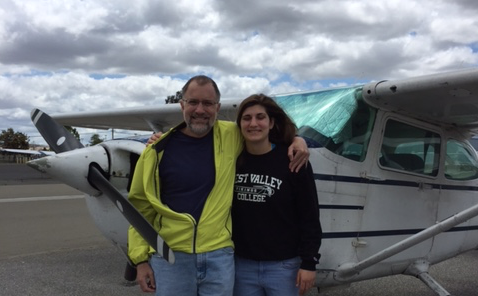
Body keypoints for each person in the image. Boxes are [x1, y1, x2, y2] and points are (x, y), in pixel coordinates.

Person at [128, 75, 309, 296]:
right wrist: (140, 260)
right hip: (171, 256)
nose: (200, 110)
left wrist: (298, 140)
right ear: (182, 104)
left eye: (208, 103)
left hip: (219, 256)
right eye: (193, 102)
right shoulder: (156, 151)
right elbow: (139, 209)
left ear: (218, 107)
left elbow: (264, 131)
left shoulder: (232, 134)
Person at [232, 94, 322, 296]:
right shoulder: (231, 160)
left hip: (284, 267)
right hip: (241, 265)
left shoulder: (293, 160)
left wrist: (309, 263)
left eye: (260, 117)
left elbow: (310, 215)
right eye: (246, 118)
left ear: (271, 122)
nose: (253, 123)